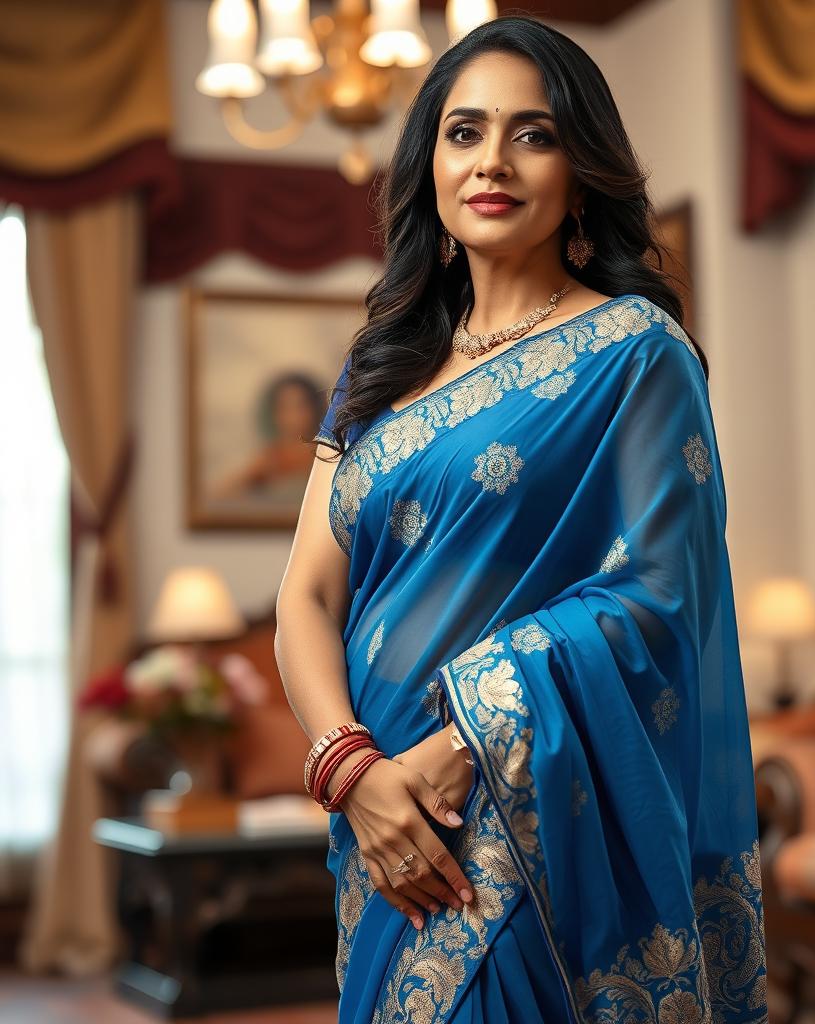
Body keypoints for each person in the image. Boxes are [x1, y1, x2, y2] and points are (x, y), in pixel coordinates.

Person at [275, 14, 767, 1024]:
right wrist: (352, 771)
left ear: (580, 170)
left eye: (533, 134)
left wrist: (461, 742)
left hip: (516, 807)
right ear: (429, 163)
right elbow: (306, 595)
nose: (492, 161)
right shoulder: (374, 372)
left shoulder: (635, 351)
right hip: (374, 813)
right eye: (464, 132)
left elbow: (660, 597)